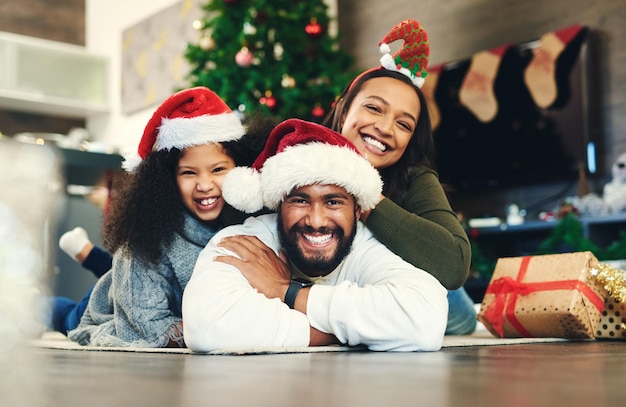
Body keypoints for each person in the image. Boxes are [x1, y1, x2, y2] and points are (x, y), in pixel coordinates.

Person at [183, 118, 448, 352]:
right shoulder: (244, 242)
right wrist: (347, 334)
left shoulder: (370, 244)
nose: (316, 221)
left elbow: (425, 323)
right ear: (279, 207)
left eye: (333, 202)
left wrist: (287, 292)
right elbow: (206, 328)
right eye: (300, 201)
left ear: (357, 210)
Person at [61, 86, 269, 347]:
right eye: (189, 173)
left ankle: (85, 252)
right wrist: (219, 330)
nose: (204, 185)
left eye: (218, 169)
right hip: (114, 306)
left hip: (139, 286)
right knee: (64, 316)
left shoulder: (252, 224)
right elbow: (147, 325)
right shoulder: (147, 237)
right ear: (167, 180)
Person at [322, 19, 476, 335]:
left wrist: (371, 202)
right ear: (343, 109)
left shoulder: (414, 177)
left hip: (428, 296)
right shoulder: (297, 160)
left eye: (404, 125)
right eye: (374, 109)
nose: (386, 128)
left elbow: (455, 264)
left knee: (462, 317)